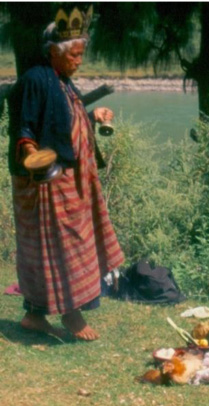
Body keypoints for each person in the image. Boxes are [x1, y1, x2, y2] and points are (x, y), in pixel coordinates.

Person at [7, 7, 124, 341]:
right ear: (54, 53)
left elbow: (62, 121)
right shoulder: (35, 80)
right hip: (49, 182)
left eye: (81, 54)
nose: (79, 60)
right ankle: (71, 316)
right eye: (74, 54)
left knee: (61, 245)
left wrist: (91, 115)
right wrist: (32, 154)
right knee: (61, 246)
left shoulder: (62, 81)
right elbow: (25, 125)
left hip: (71, 180)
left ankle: (34, 316)